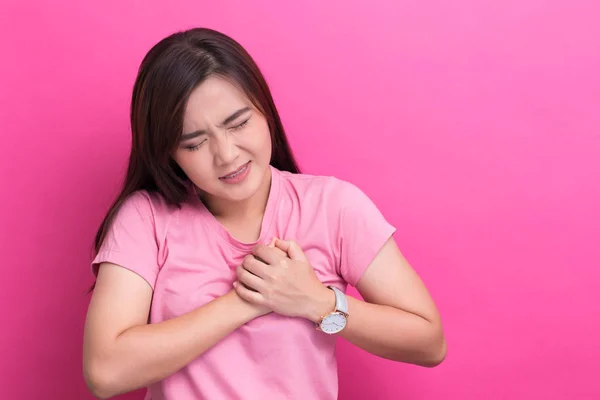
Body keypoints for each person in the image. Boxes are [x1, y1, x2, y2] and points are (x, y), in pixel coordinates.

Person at [82, 27, 446, 400]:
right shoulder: (145, 219)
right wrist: (245, 300)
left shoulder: (333, 206)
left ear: (265, 110)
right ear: (168, 153)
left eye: (238, 123)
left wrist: (317, 302)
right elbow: (105, 373)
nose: (226, 155)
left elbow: (429, 342)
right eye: (194, 143)